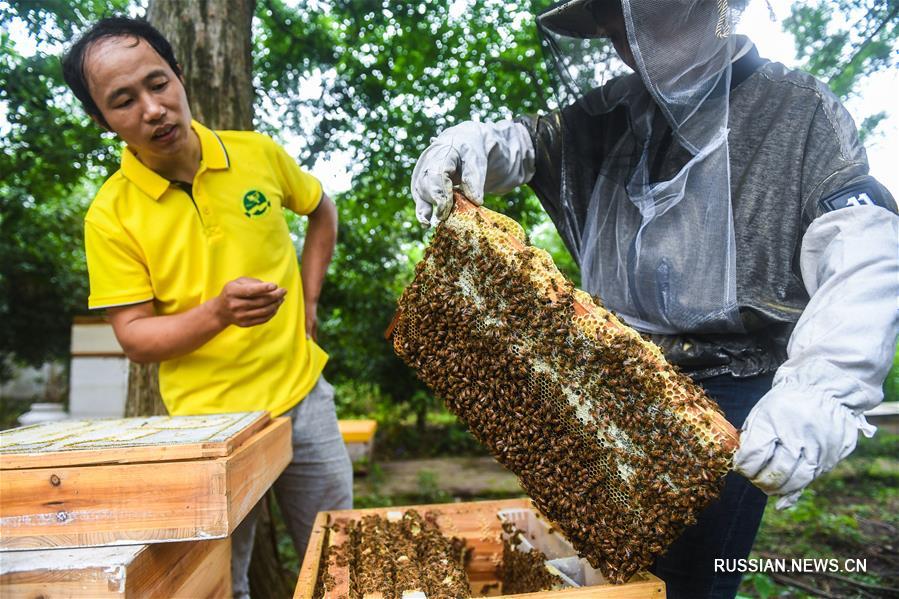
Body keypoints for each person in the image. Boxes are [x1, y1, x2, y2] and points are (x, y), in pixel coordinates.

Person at [410, 1, 898, 597]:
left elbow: (863, 244)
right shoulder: (607, 112)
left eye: (631, 17)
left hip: (730, 396)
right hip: (609, 377)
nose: (622, 39)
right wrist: (476, 145)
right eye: (608, 26)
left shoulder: (797, 108)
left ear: (698, 7)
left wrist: (824, 386)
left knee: (690, 580)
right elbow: (527, 142)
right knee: (608, 564)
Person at [61, 17, 352, 599]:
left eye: (158, 83)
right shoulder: (111, 214)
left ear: (179, 76)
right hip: (207, 428)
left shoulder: (258, 155)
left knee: (339, 558)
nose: (153, 109)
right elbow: (136, 339)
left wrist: (309, 299)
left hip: (302, 397)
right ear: (102, 121)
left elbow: (322, 210)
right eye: (124, 101)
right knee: (219, 585)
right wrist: (218, 313)